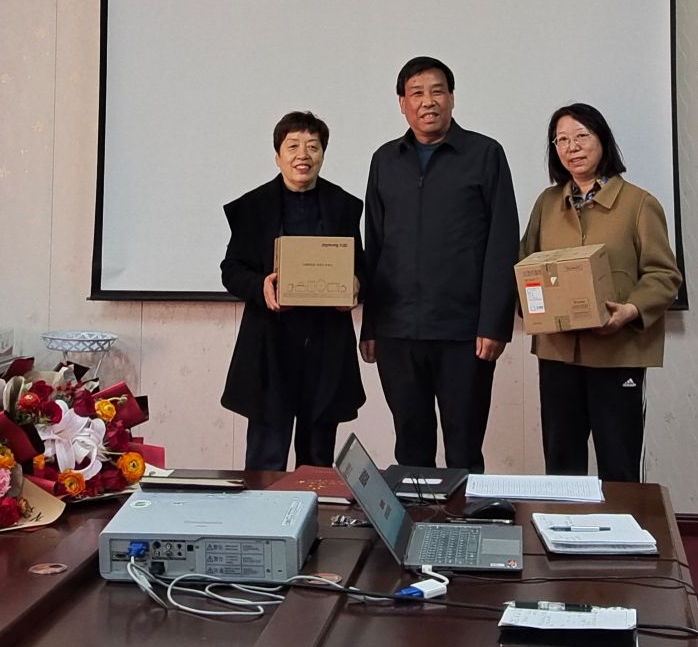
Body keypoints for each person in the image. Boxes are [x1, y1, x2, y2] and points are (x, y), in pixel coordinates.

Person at [360, 57, 519, 472]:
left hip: (463, 333)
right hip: (397, 332)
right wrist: (370, 325)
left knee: (464, 450)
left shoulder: (485, 154)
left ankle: (465, 517)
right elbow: (374, 245)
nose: (427, 101)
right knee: (410, 450)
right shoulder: (384, 160)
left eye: (437, 91)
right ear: (402, 103)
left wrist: (494, 323)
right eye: (417, 93)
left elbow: (503, 243)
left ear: (451, 98)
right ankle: (416, 517)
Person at [521, 103, 681, 482]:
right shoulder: (547, 203)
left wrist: (630, 310)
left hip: (617, 355)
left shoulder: (639, 204)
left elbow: (664, 275)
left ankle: (622, 524)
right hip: (558, 354)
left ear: (602, 140)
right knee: (561, 464)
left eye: (581, 136)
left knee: (619, 465)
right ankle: (564, 522)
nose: (572, 147)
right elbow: (526, 266)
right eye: (561, 140)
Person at [220, 111, 366, 470]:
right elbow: (231, 270)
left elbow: (361, 267)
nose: (303, 155)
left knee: (317, 462)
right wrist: (261, 286)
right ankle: (262, 510)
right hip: (270, 346)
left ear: (323, 155)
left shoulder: (344, 206)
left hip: (326, 345)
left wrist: (355, 286)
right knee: (265, 459)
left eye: (313, 147)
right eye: (293, 146)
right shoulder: (252, 207)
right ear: (277, 156)